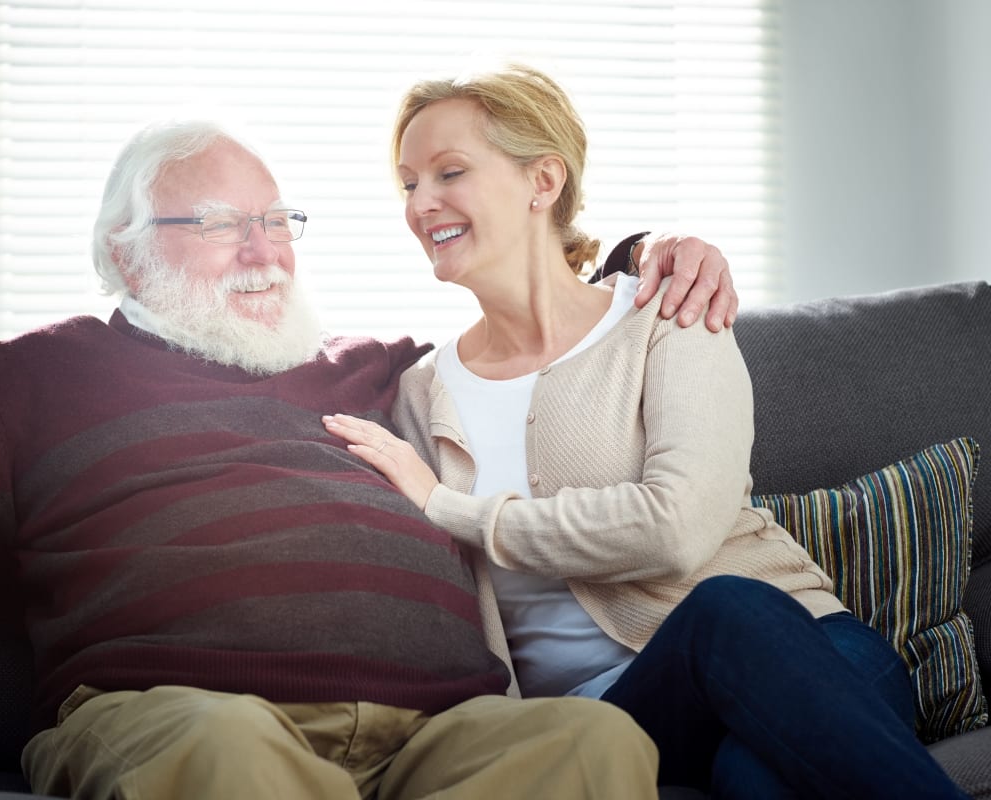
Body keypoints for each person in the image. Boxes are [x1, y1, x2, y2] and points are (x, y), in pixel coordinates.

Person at [0, 117, 736, 798]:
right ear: (124, 258)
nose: (264, 251)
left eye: (278, 221)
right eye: (216, 223)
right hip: (183, 717)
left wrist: (649, 255)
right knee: (225, 747)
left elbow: (540, 329)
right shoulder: (38, 373)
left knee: (592, 742)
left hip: (443, 731)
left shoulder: (382, 373)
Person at [323, 63, 971, 799]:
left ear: (544, 182)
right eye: (409, 183)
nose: (421, 204)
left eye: (449, 172)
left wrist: (454, 509)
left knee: (751, 760)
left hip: (807, 654)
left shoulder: (670, 315)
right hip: (618, 716)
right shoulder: (419, 394)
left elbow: (677, 528)